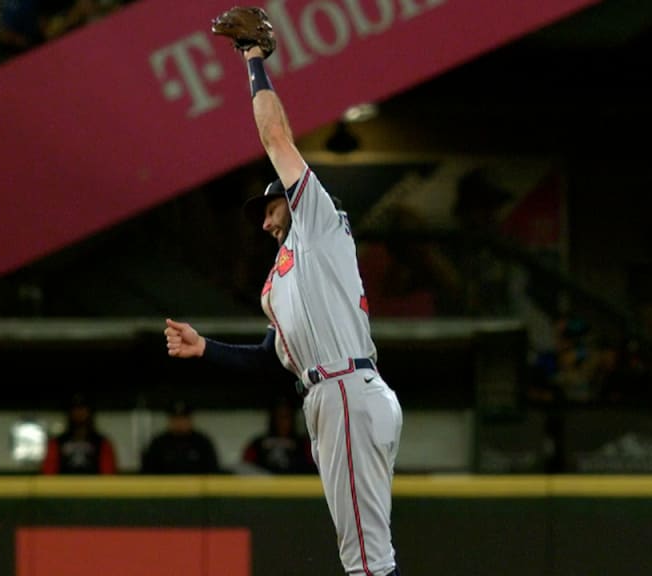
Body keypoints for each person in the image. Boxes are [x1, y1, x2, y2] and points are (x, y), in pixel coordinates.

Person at [162, 7, 403, 575]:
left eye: (271, 207)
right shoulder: (281, 282)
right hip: (331, 392)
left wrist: (253, 62)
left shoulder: (317, 223)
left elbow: (274, 135)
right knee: (365, 550)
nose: (267, 222)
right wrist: (208, 349)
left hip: (345, 387)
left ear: (291, 202)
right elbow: (275, 361)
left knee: (365, 558)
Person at [41, 392, 118, 475]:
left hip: (94, 487)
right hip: (63, 487)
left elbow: (109, 475)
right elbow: (48, 474)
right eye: (75, 409)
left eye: (82, 408)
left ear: (90, 412)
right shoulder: (57, 443)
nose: (79, 413)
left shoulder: (102, 443)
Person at [240, 395, 316, 475]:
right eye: (279, 416)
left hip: (294, 483)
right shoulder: (257, 444)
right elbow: (245, 467)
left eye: (286, 416)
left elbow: (315, 468)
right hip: (264, 484)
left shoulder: (303, 444)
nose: (282, 421)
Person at [140, 399, 221, 475]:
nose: (179, 422)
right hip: (165, 488)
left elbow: (213, 471)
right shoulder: (158, 443)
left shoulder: (202, 442)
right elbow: (147, 472)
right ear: (169, 420)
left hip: (195, 488)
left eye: (183, 418)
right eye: (175, 418)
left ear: (190, 419)